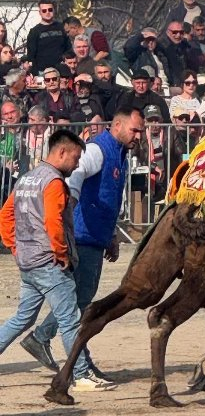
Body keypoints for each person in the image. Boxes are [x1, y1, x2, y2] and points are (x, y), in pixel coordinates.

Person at [23, 108, 145, 380]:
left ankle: (47, 340)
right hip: (82, 235)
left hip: (95, 235)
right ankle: (70, 356)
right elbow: (75, 176)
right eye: (134, 130)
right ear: (116, 125)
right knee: (80, 300)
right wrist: (72, 203)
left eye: (140, 130)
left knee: (77, 299)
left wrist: (111, 233)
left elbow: (109, 197)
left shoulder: (120, 153)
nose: (139, 135)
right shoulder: (98, 149)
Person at [0, 128, 118, 392]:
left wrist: (15, 247)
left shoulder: (27, 178)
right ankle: (81, 374)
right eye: (75, 158)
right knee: (70, 319)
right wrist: (61, 253)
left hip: (28, 262)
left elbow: (4, 216)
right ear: (61, 152)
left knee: (23, 317)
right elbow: (53, 222)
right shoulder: (54, 182)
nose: (77, 165)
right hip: (49, 262)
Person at [26, 0, 70, 75]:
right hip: (42, 72)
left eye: (50, 10)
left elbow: (68, 48)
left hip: (61, 71)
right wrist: (34, 73)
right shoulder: (34, 31)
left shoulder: (61, 27)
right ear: (40, 12)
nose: (47, 12)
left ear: (54, 10)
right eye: (44, 10)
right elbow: (31, 55)